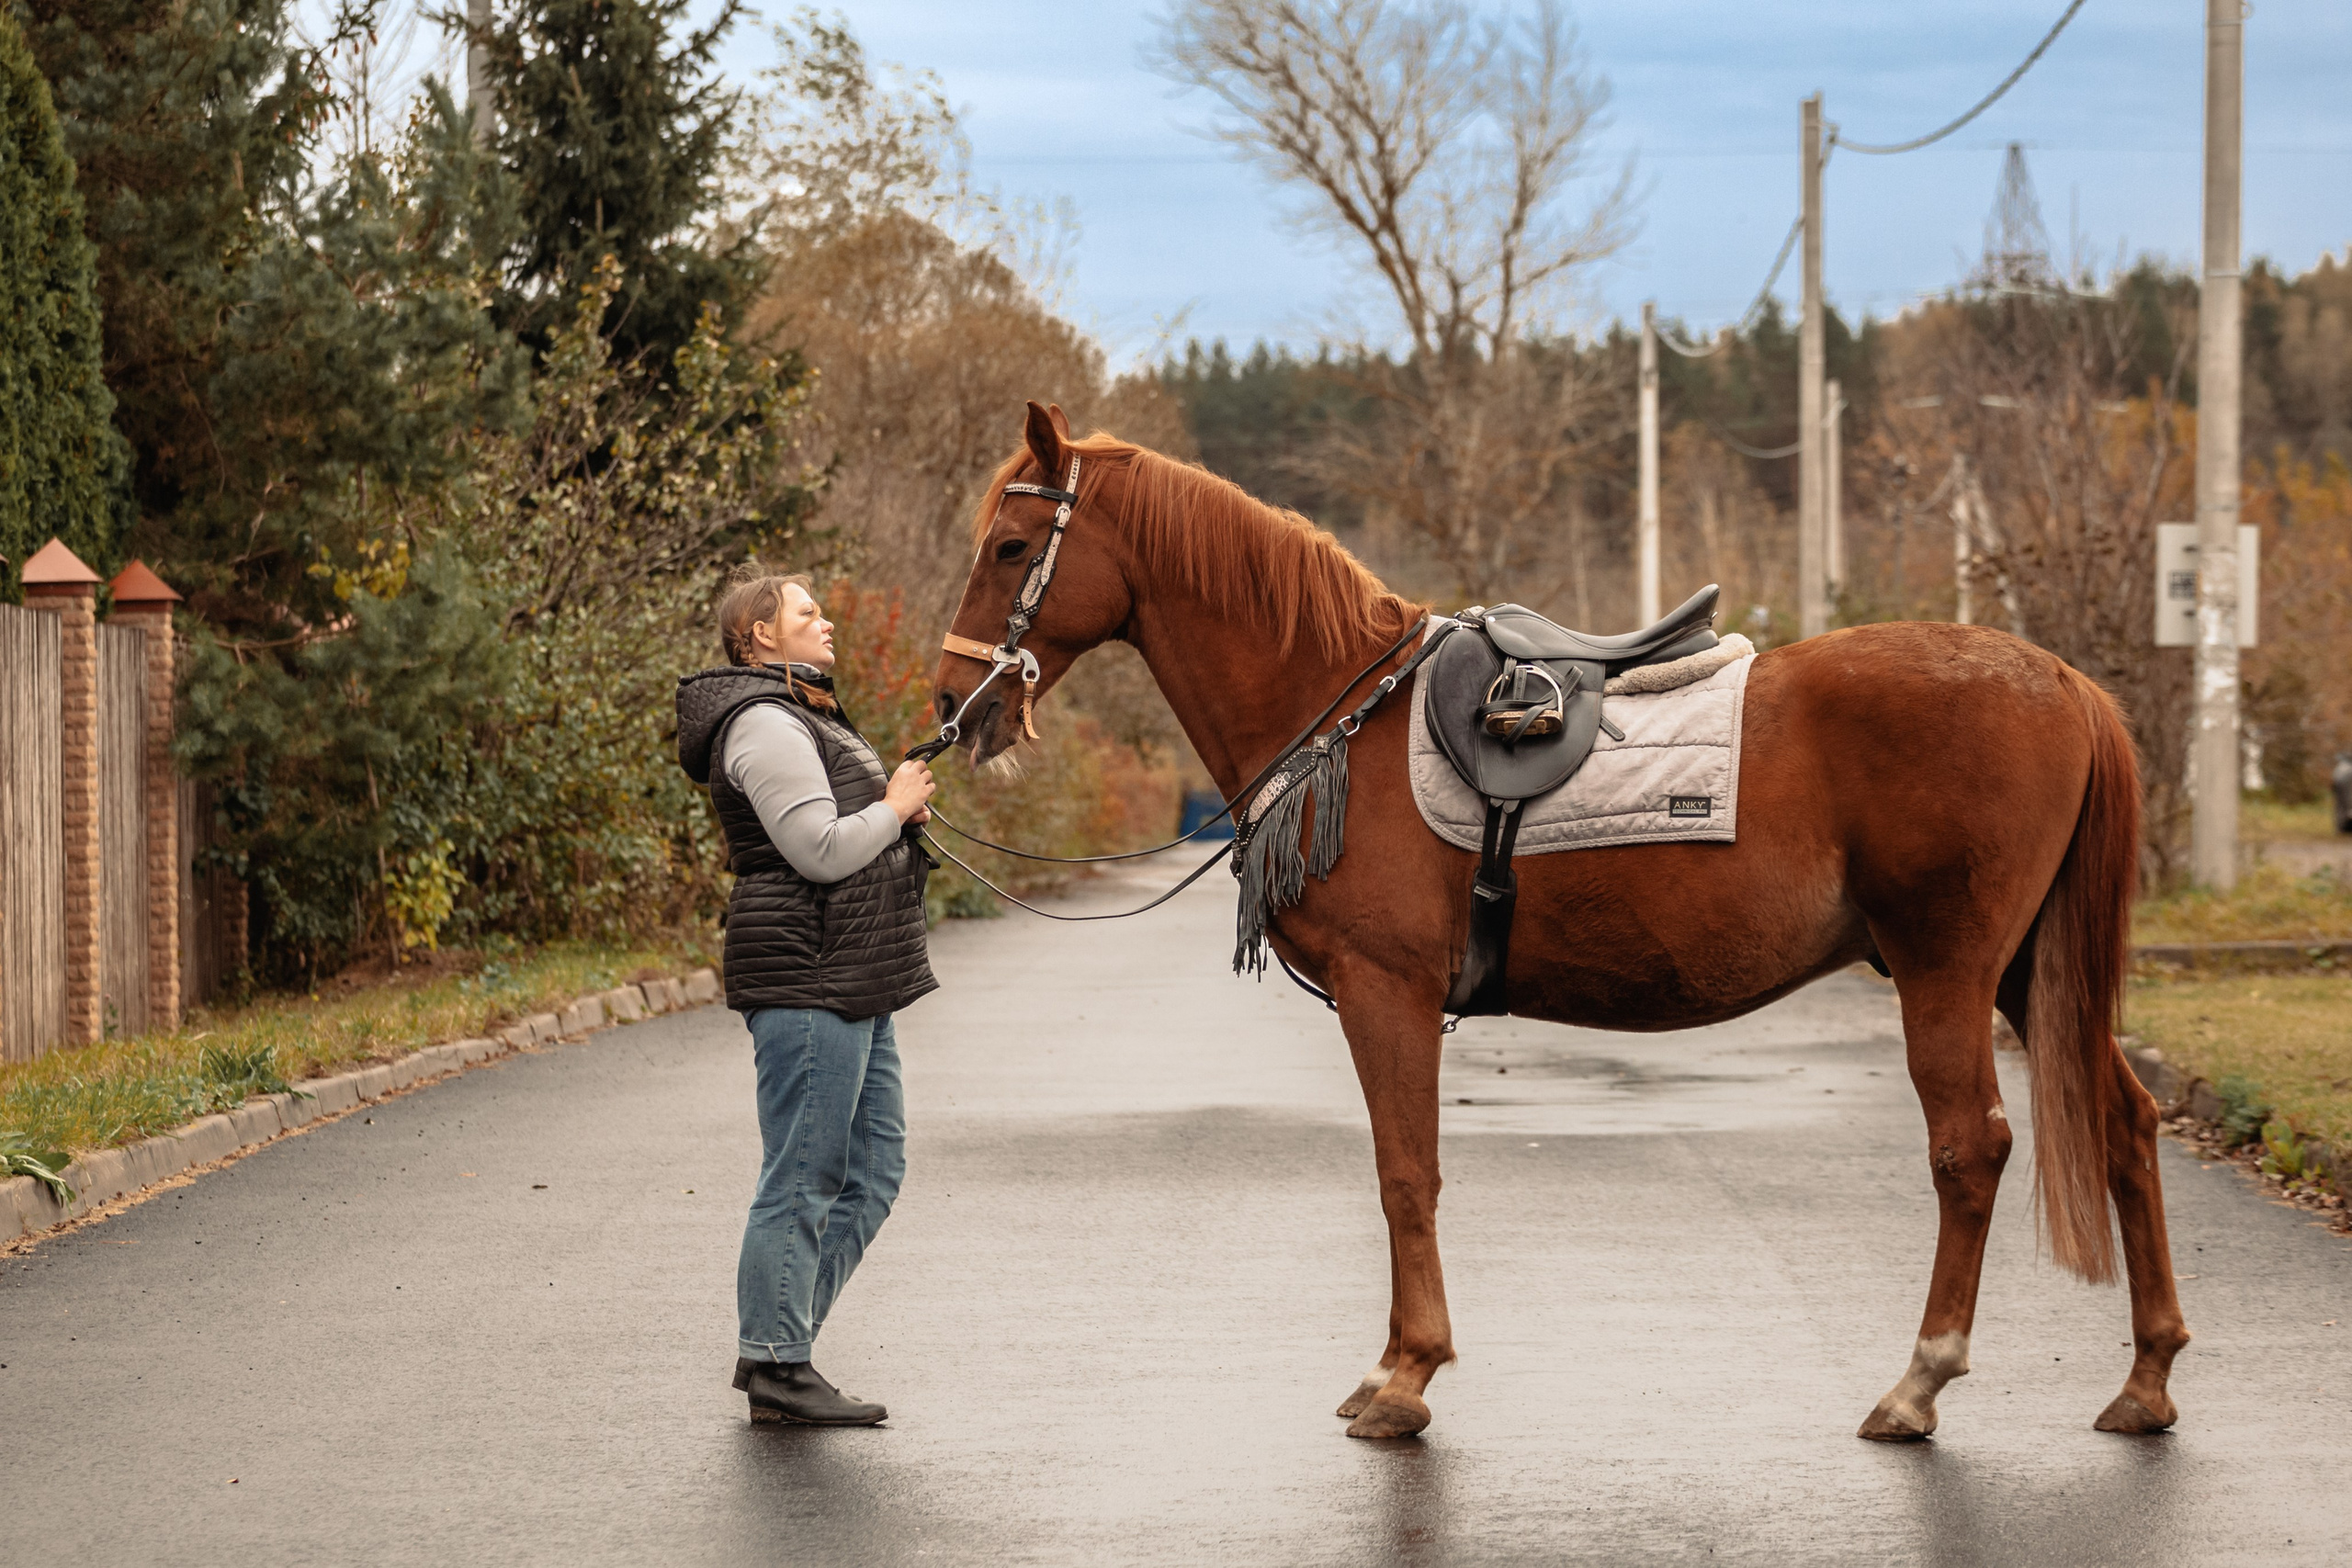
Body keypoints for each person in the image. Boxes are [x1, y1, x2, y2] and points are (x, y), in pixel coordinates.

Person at [674, 570, 938, 1426]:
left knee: (873, 1169)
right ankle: (778, 1359)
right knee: (805, 1173)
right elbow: (820, 850)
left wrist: (897, 816)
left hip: (855, 972)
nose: (826, 621)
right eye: (806, 612)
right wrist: (893, 810)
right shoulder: (760, 722)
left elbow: (847, 829)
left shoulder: (807, 712)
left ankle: (781, 1350)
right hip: (808, 973)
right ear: (758, 636)